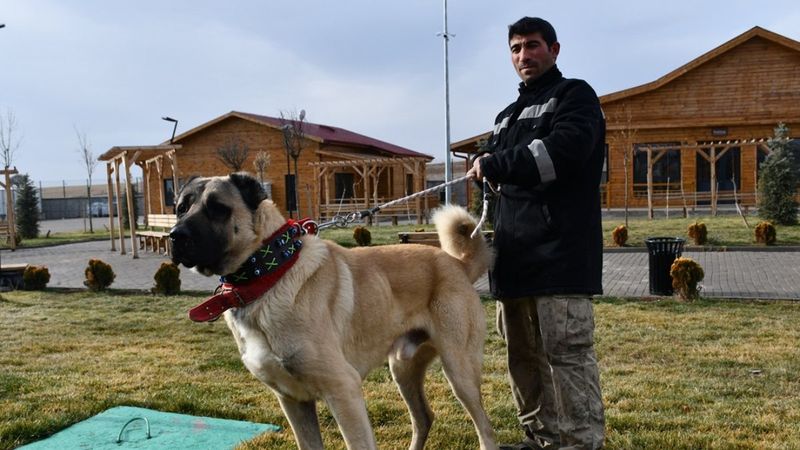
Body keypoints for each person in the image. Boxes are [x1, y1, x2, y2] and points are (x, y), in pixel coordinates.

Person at [467, 17, 605, 450]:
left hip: (561, 257)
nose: (524, 55)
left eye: (532, 46)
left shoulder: (575, 97)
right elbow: (503, 168)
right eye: (515, 48)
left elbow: (562, 153)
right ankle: (540, 437)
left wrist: (498, 163)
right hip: (513, 260)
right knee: (521, 358)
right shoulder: (506, 117)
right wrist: (487, 169)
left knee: (567, 356)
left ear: (554, 49)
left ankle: (581, 442)